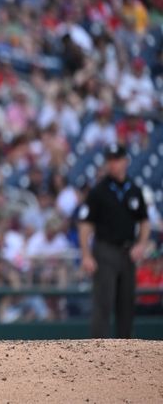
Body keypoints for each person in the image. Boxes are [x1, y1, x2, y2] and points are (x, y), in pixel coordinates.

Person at [78, 143, 151, 338]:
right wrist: (86, 254)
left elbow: (144, 221)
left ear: (125, 161)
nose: (113, 164)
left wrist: (141, 244)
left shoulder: (134, 190)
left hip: (128, 252)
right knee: (103, 303)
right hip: (105, 251)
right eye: (110, 160)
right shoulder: (98, 191)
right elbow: (85, 224)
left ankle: (125, 353)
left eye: (116, 160)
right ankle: (98, 352)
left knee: (126, 304)